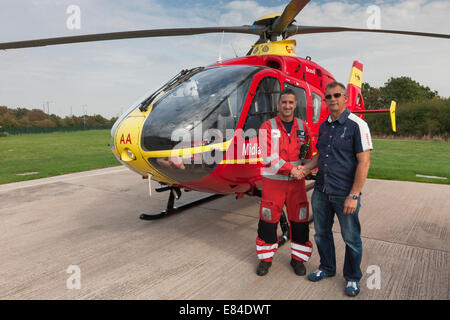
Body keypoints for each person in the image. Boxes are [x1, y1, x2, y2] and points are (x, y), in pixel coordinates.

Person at [298, 81, 372, 297]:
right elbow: (321, 156)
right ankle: (327, 268)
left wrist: (354, 194)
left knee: (351, 238)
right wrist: (304, 169)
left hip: (344, 193)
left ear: (345, 98)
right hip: (321, 190)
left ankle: (352, 278)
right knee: (321, 233)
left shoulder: (357, 125)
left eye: (336, 95)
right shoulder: (324, 125)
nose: (332, 100)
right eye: (328, 96)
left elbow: (364, 162)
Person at [255, 88, 313, 277]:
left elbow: (307, 154)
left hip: (297, 186)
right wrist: (293, 170)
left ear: (296, 105)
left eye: (291, 102)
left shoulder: (303, 127)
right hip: (274, 186)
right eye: (284, 102)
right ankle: (265, 259)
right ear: (278, 104)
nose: (287, 106)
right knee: (267, 223)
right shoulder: (267, 127)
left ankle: (298, 260)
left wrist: (305, 169)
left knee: (300, 222)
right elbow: (268, 157)